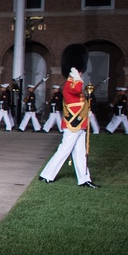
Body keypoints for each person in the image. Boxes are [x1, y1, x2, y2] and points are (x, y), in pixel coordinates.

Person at [39, 44, 98, 188]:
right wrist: (76, 74)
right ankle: (46, 175)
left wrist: (87, 111)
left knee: (80, 153)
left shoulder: (76, 84)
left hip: (80, 123)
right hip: (72, 124)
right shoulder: (70, 84)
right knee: (64, 150)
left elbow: (80, 100)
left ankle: (84, 179)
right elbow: (76, 88)